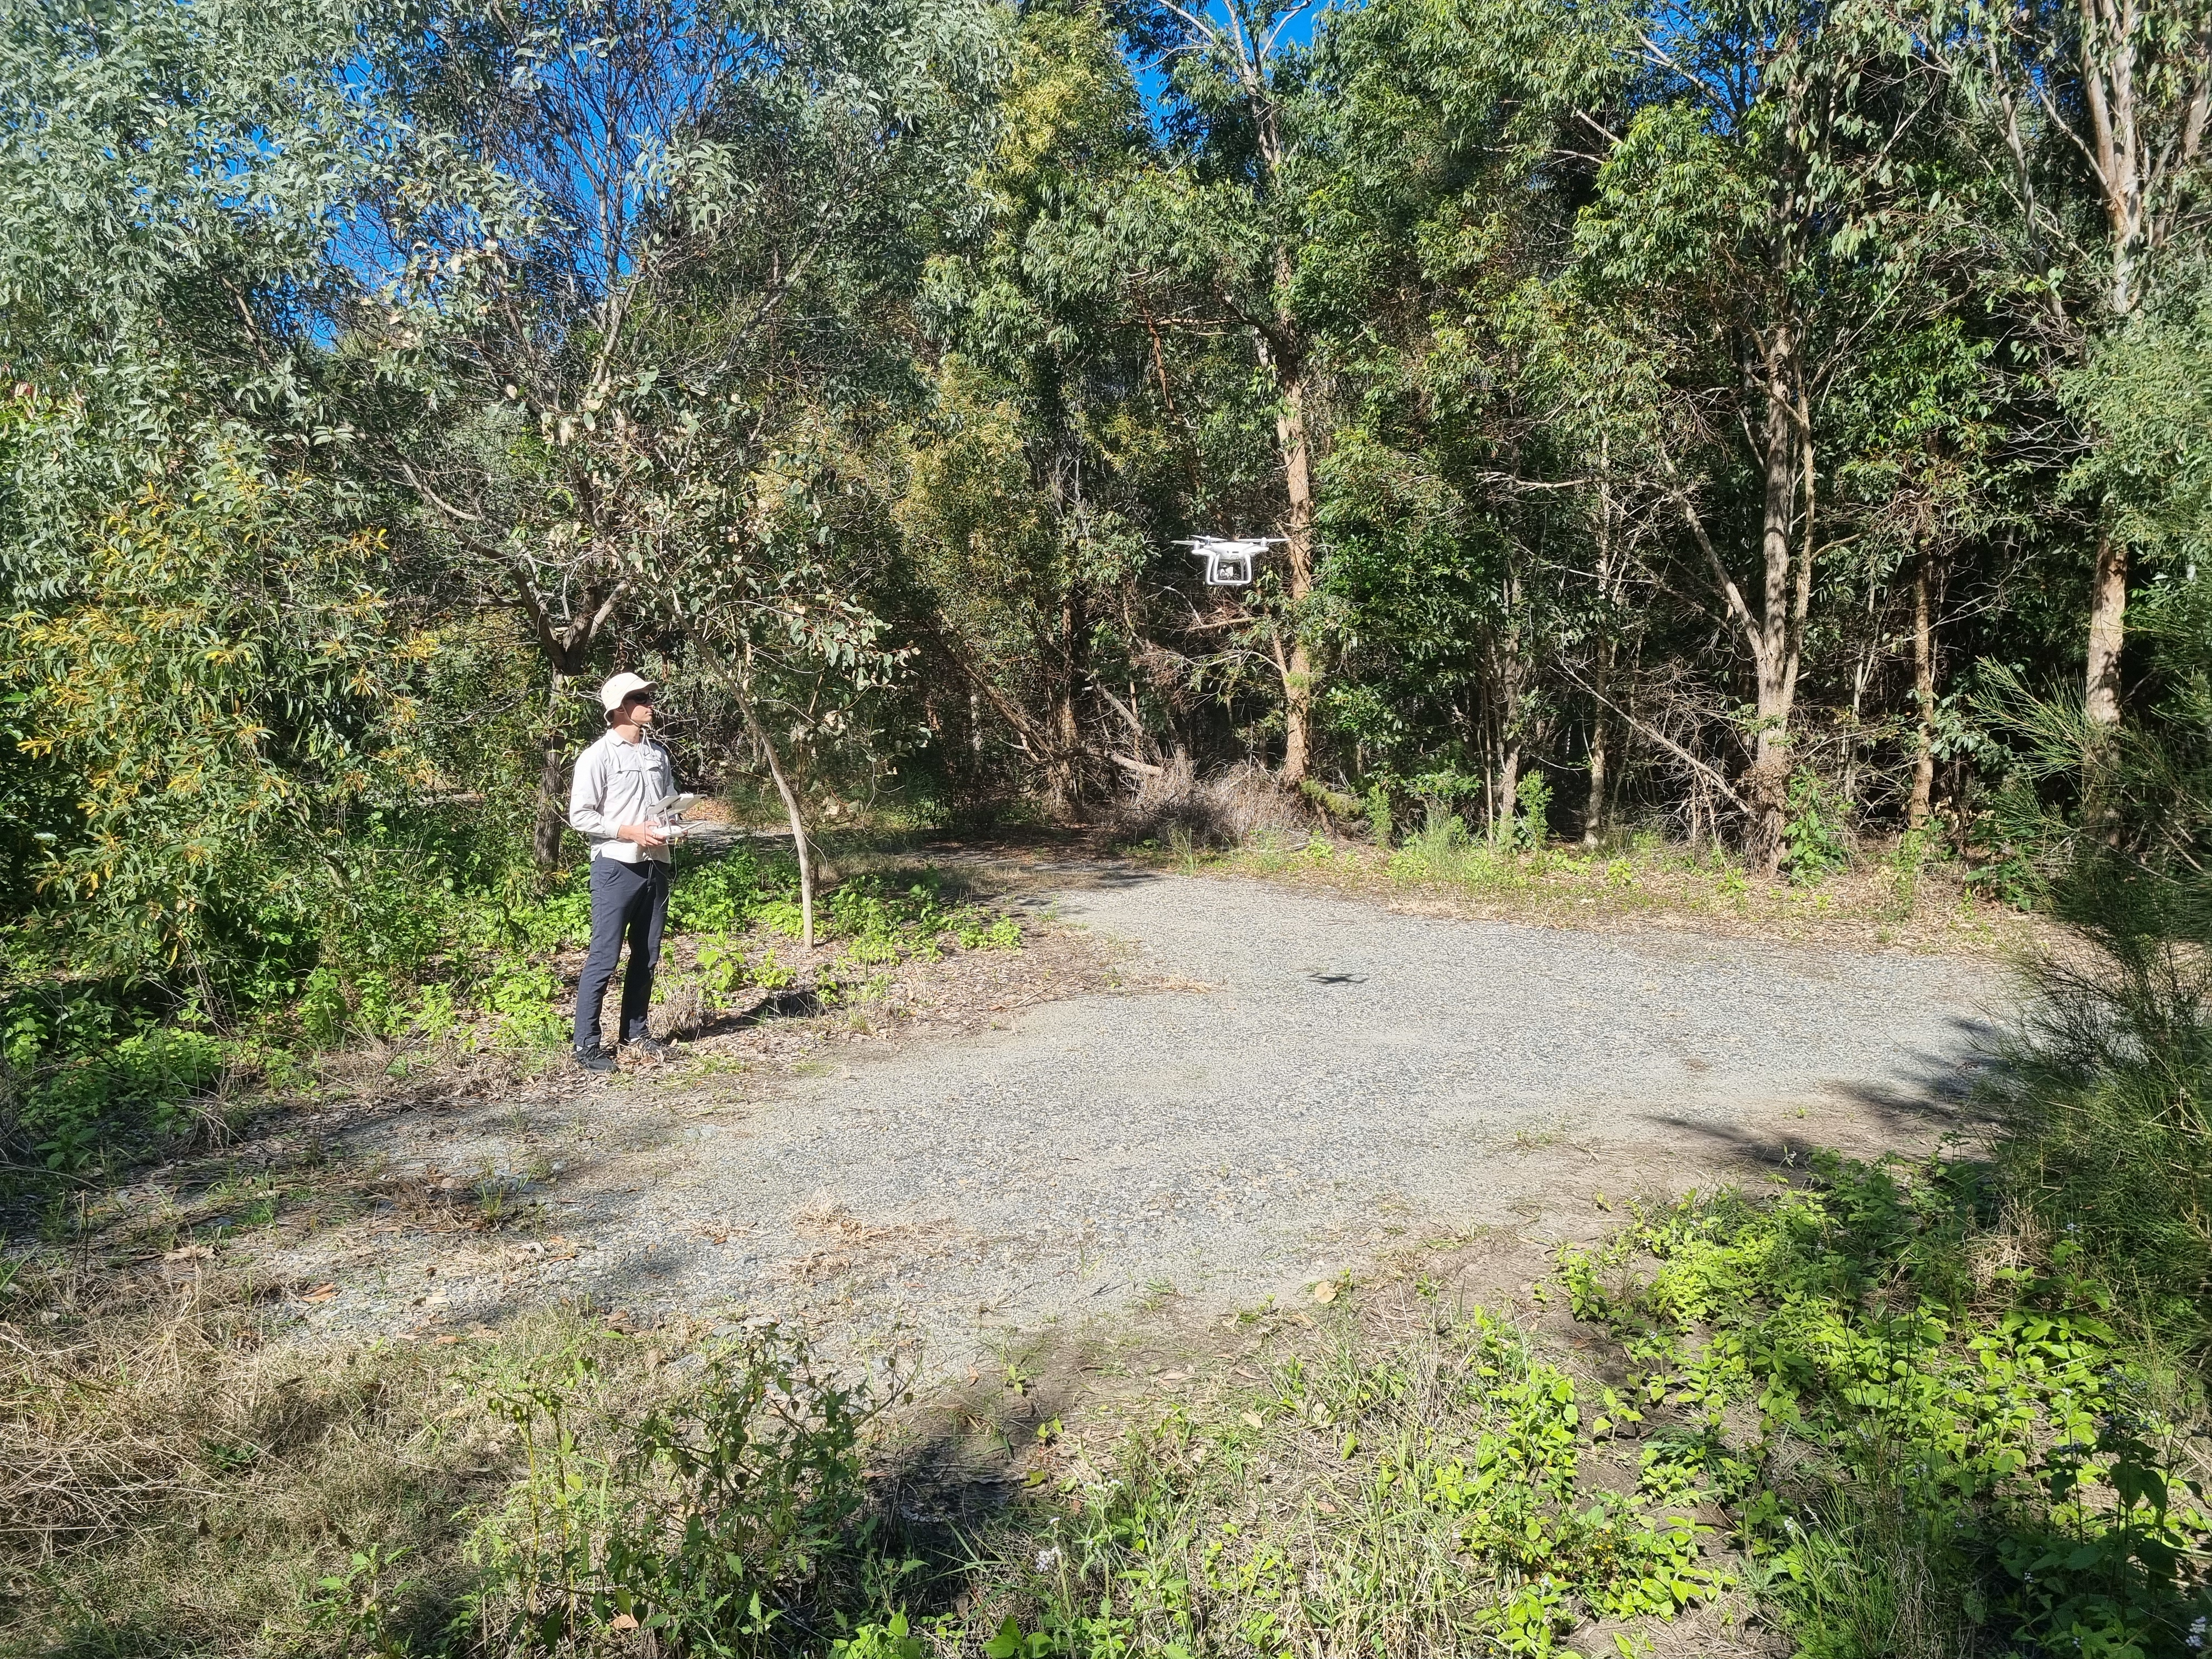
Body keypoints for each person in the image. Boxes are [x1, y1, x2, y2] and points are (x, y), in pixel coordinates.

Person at [568, 672, 680, 1072]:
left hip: (657, 865)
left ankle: (636, 1033)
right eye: (640, 698)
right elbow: (579, 815)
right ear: (618, 707)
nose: (651, 704)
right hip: (616, 867)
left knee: (647, 955)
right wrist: (628, 831)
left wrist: (674, 826)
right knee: (604, 956)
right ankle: (586, 1046)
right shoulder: (598, 756)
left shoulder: (657, 754)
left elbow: (664, 807)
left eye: (650, 696)